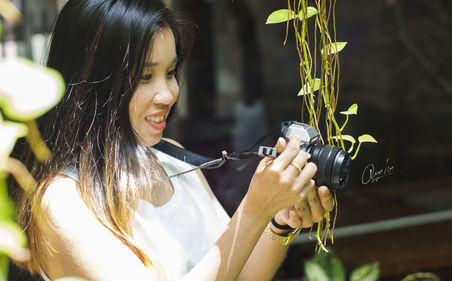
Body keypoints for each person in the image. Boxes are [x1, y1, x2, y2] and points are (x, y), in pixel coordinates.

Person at [10, 0, 335, 280]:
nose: (168, 93)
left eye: (171, 71)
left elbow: (239, 272)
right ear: (94, 83)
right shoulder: (63, 200)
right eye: (144, 77)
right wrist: (254, 209)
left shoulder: (171, 158)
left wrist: (278, 220)